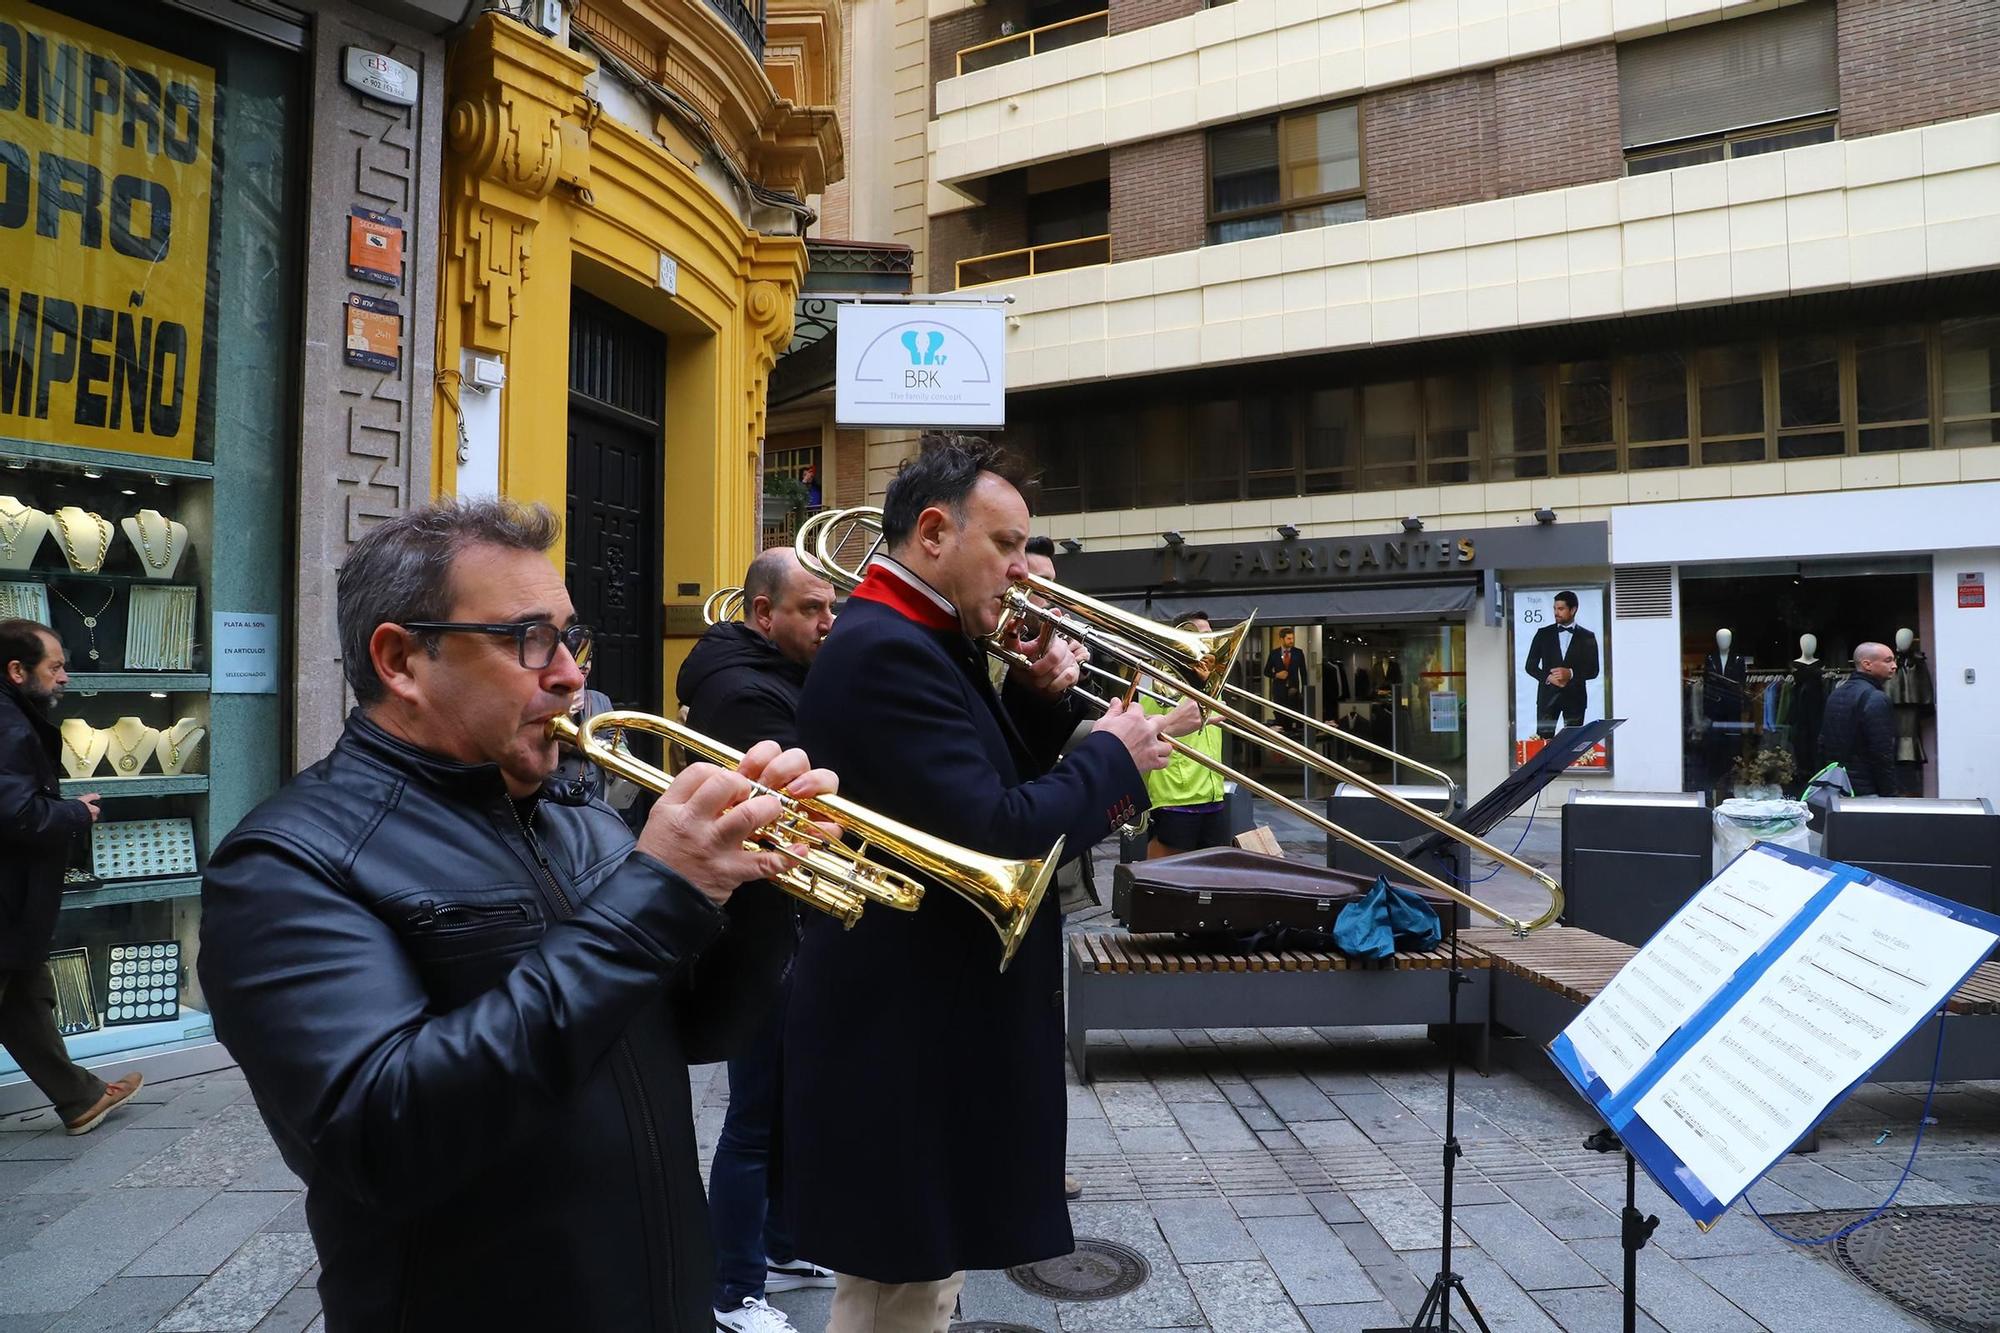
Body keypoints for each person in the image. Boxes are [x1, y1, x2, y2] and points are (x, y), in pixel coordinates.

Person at [198, 499, 831, 1330]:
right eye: (529, 639)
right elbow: (384, 1134)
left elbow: (699, 1030)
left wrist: (752, 886)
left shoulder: (577, 812)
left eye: (571, 637)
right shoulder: (284, 864)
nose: (569, 672)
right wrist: (657, 892)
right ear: (401, 660)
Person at [785, 436, 1195, 1333]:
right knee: (900, 1293)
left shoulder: (921, 636)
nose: (1025, 572)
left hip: (925, 1019)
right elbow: (997, 831)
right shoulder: (891, 646)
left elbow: (969, 783)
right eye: (1007, 546)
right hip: (908, 1031)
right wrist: (1108, 757)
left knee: (920, 1283)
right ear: (934, 532)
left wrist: (1042, 705)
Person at [679, 548, 839, 1333]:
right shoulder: (741, 689)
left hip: (789, 920)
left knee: (784, 1102)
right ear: (762, 612)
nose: (828, 622)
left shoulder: (782, 673)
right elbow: (809, 795)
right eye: (812, 609)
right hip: (753, 929)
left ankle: (780, 1242)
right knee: (751, 1117)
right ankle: (731, 1288)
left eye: (832, 606)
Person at [0, 619, 143, 1135]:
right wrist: (75, 814)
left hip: (14, 907)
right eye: (54, 666)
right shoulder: (8, 725)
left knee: (25, 1003)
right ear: (17, 671)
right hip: (7, 901)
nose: (64, 677)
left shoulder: (14, 716)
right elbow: (15, 814)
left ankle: (79, 1099)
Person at [1143, 613, 1231, 859]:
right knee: (1167, 878)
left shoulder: (1210, 680)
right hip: (1175, 795)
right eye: (1200, 636)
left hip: (1212, 792)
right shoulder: (1162, 678)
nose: (1209, 644)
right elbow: (1148, 725)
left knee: (1211, 878)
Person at [1818, 641, 1900, 796]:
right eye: (1888, 661)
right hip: (1866, 788)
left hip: (1836, 785)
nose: (1894, 666)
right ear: (1867, 664)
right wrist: (1890, 794)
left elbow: (1822, 742)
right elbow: (1881, 753)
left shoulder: (1836, 693)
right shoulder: (1876, 698)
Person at [1523, 590, 1600, 738]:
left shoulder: (1587, 636)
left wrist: (1570, 673)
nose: (1556, 612)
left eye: (1561, 609)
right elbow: (1530, 666)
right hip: (1547, 698)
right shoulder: (1543, 634)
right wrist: (1547, 677)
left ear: (1573, 609)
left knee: (1573, 742)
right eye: (1554, 608)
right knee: (1543, 743)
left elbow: (1593, 670)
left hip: (1575, 698)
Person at [1263, 629, 1305, 735]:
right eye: (1289, 638)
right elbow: (1266, 672)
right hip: (1279, 690)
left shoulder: (1298, 653)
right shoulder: (1274, 654)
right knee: (1280, 714)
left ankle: (1291, 737)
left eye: (1292, 638)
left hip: (1293, 690)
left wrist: (1304, 691)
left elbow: (1304, 673)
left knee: (1292, 715)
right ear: (1282, 639)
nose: (1291, 641)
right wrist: (1276, 675)